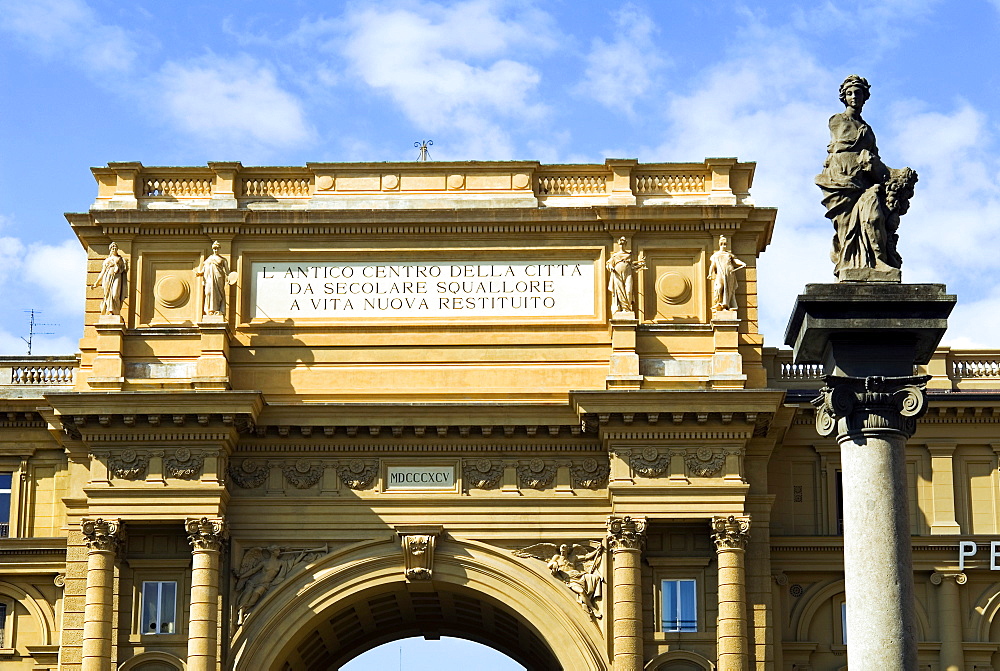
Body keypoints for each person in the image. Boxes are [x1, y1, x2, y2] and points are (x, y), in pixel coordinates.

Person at [816, 75, 914, 278]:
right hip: (842, 179)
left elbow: (874, 158)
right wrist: (866, 159)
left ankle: (876, 261)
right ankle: (850, 262)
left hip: (865, 182)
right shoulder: (837, 120)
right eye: (850, 93)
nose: (854, 97)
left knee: (874, 216)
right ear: (844, 97)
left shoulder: (867, 129)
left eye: (858, 93)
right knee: (846, 227)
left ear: (864, 96)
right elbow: (847, 143)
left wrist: (895, 174)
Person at [547, 544, 603, 618]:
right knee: (581, 591)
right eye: (562, 550)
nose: (563, 551)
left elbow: (586, 557)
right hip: (571, 580)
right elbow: (549, 565)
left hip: (580, 576)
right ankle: (593, 609)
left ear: (567, 550)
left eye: (564, 550)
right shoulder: (557, 558)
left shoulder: (573, 558)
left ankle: (592, 598)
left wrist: (597, 551)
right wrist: (554, 564)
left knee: (596, 578)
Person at [606, 236, 644, 314]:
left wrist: (640, 264)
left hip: (628, 273)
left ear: (625, 244)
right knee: (620, 291)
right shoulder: (615, 256)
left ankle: (628, 307)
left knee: (629, 290)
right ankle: (623, 308)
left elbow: (633, 265)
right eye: (620, 244)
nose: (622, 245)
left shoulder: (629, 255)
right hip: (617, 274)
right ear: (618, 245)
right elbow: (608, 264)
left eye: (623, 244)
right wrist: (610, 267)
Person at [707, 235, 746, 311]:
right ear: (719, 244)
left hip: (729, 272)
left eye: (725, 244)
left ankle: (726, 305)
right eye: (722, 244)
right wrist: (710, 273)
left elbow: (736, 261)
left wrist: (742, 263)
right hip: (720, 273)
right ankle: (718, 302)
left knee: (728, 289)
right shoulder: (716, 255)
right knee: (719, 288)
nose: (724, 246)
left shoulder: (729, 254)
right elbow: (713, 265)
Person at [91, 242, 127, 315]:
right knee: (108, 295)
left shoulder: (120, 259)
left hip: (117, 276)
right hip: (107, 277)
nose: (114, 249)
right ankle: (110, 311)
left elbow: (124, 269)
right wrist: (97, 282)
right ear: (110, 249)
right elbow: (103, 271)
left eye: (115, 248)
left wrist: (120, 267)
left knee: (115, 294)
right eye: (112, 247)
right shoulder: (107, 260)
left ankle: (116, 311)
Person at [196, 241, 231, 316]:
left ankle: (217, 310)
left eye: (217, 249)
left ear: (219, 249)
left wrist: (231, 277)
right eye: (215, 249)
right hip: (209, 278)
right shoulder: (209, 259)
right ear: (213, 249)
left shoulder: (223, 259)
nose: (216, 250)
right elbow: (204, 268)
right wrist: (199, 273)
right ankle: (210, 310)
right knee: (208, 292)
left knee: (218, 294)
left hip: (219, 277)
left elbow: (227, 271)